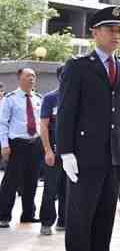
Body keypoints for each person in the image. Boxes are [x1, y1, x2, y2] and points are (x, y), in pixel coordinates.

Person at [56, 6, 120, 251]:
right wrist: (66, 151)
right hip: (84, 155)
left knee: (105, 218)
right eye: (111, 29)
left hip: (114, 156)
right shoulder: (78, 66)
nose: (116, 34)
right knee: (80, 219)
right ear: (95, 33)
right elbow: (67, 112)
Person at [0, 68, 43, 228]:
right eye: (28, 76)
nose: (32, 78)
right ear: (20, 79)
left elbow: (42, 124)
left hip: (35, 144)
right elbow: (2, 123)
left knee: (31, 181)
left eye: (34, 75)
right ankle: (3, 216)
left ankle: (28, 214)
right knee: (11, 182)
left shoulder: (39, 98)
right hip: (17, 145)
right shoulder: (10, 99)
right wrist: (4, 145)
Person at [38, 66, 67, 235]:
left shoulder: (77, 97)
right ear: (60, 77)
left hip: (71, 152)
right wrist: (48, 150)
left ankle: (64, 221)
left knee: (67, 188)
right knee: (51, 188)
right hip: (53, 151)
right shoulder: (50, 98)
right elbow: (43, 126)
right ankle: (46, 222)